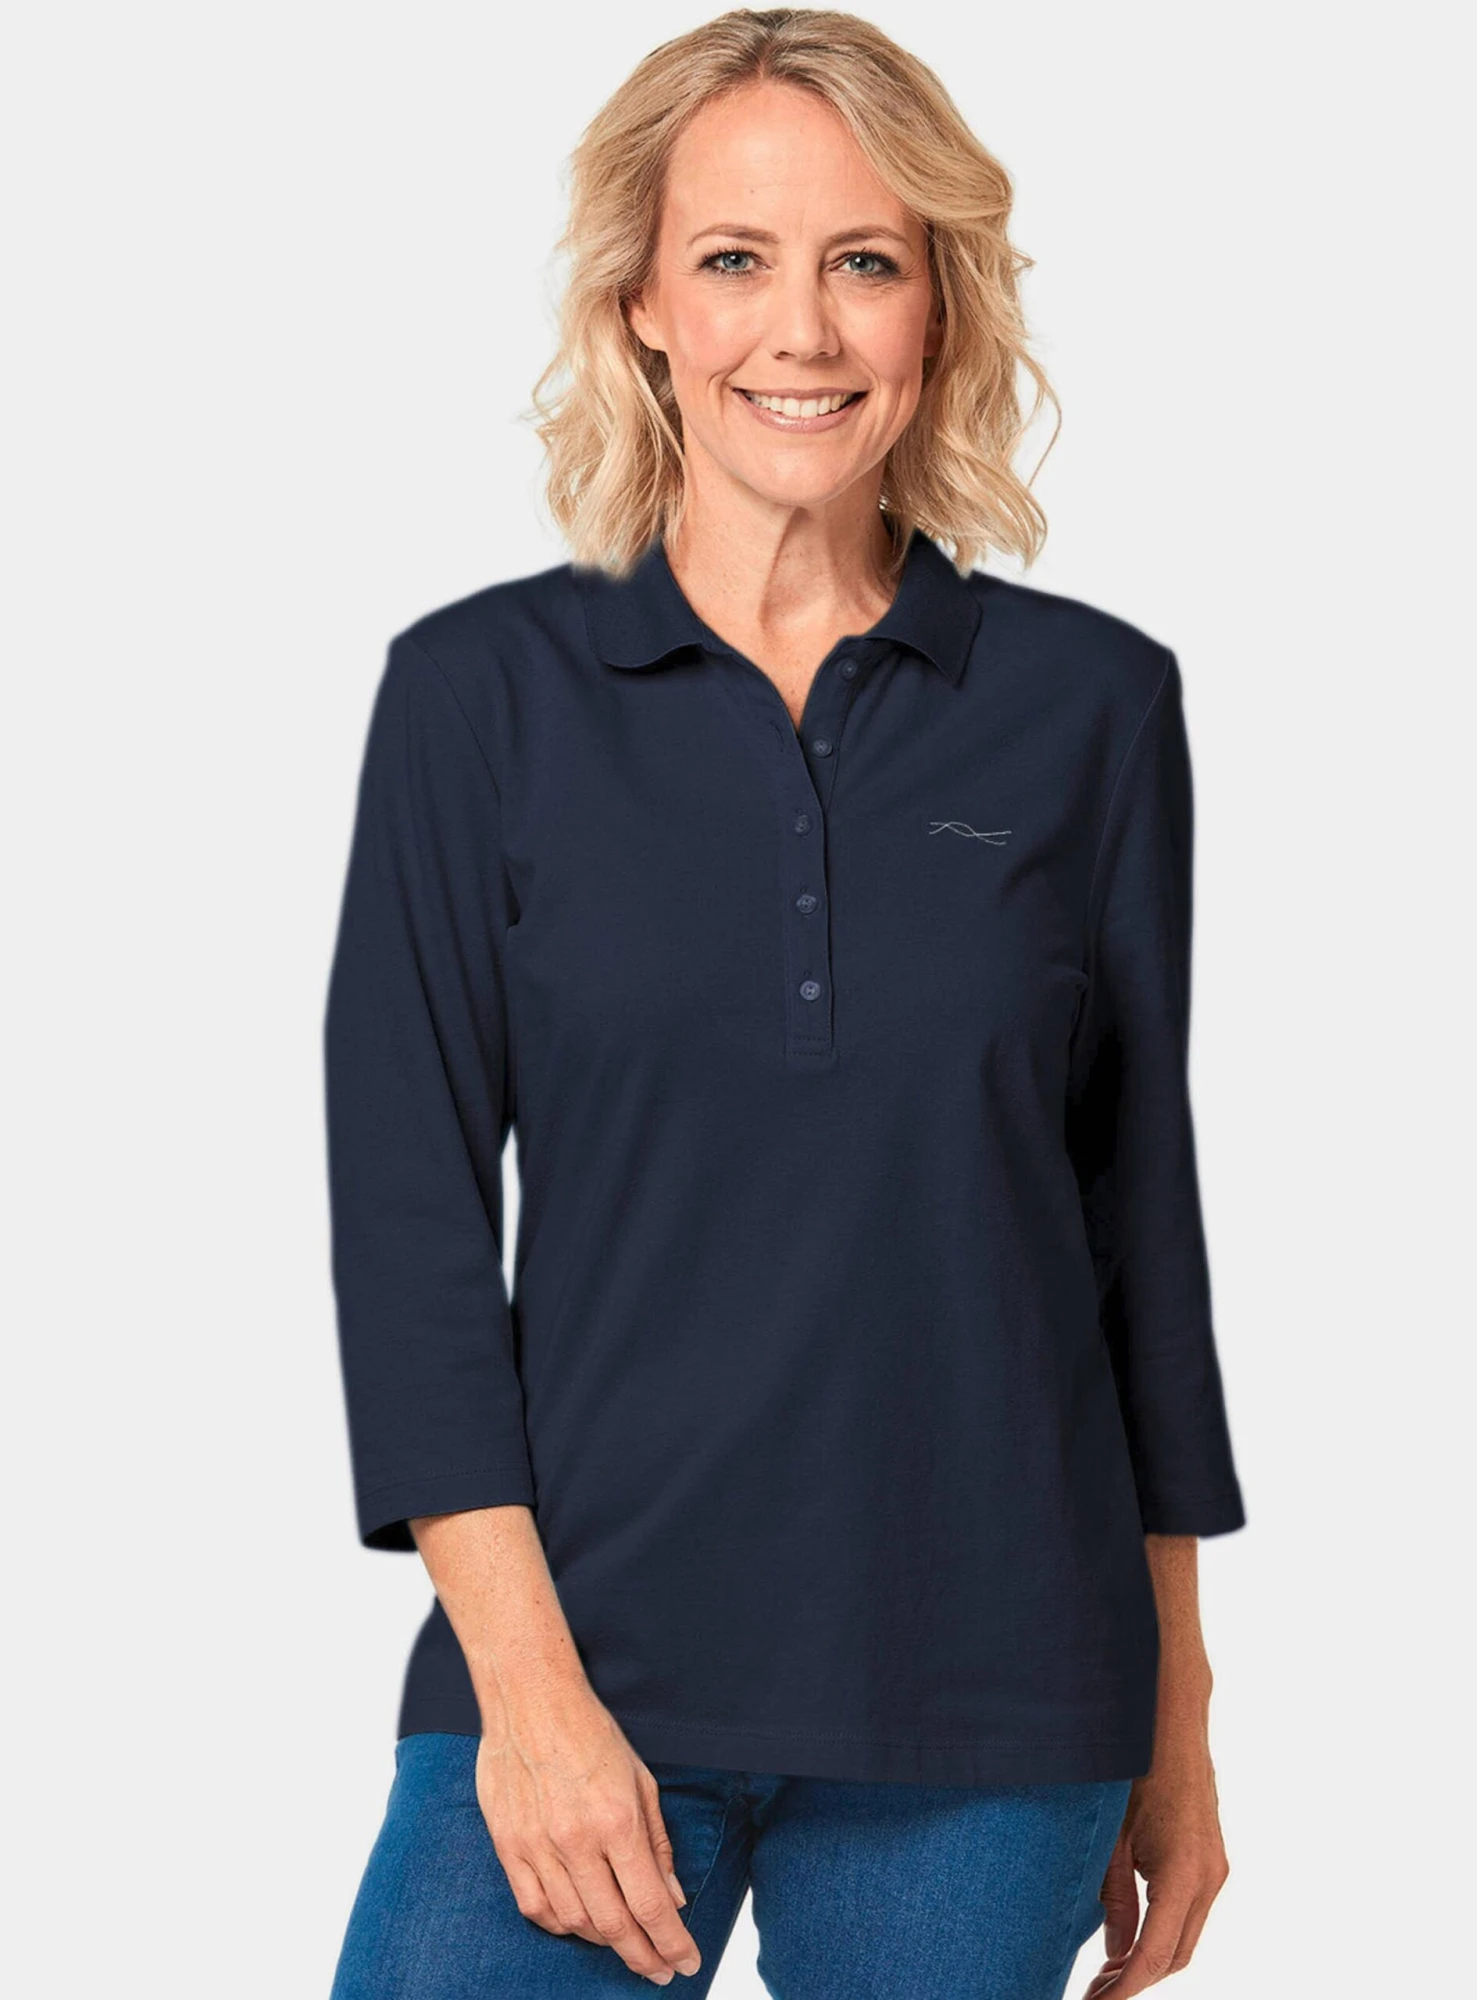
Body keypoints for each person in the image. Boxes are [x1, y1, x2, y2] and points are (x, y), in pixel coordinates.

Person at [322, 11, 1247, 1997]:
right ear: (642, 304)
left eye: (866, 261)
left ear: (939, 307)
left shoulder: (1091, 709)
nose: (802, 332)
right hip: (584, 1659)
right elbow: (408, 1237)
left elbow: (1135, 1237)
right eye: (735, 259)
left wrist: (1179, 1712)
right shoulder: (477, 703)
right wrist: (527, 1700)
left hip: (999, 1705)